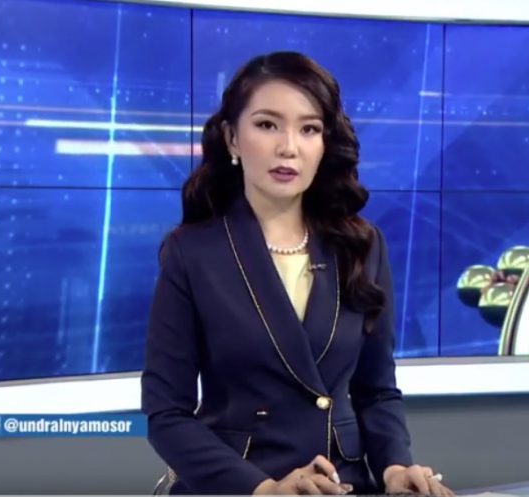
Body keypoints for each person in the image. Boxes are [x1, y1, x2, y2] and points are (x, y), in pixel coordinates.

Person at [141, 51, 454, 496]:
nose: (289, 147)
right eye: (268, 125)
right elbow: (166, 414)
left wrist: (395, 467)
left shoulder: (361, 246)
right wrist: (263, 489)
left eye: (309, 129)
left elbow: (376, 392)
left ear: (325, 144)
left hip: (343, 486)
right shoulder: (193, 253)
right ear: (232, 138)